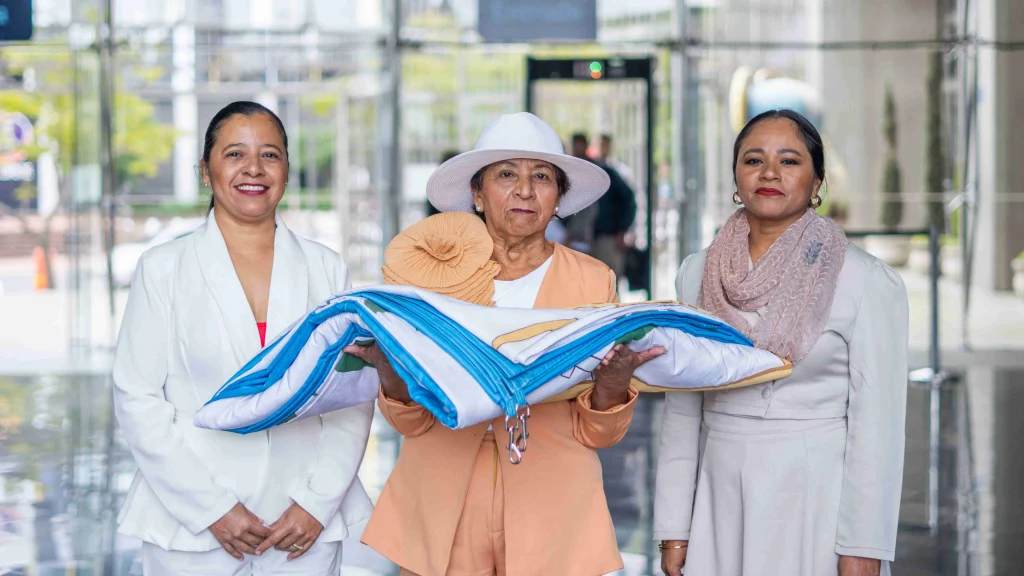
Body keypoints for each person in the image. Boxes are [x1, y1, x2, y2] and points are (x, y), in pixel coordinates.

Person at [353, 112, 666, 576]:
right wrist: (389, 369)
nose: (524, 191)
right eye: (506, 175)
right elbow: (410, 421)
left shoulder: (591, 280)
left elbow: (598, 433)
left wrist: (613, 386)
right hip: (443, 499)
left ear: (558, 198)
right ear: (477, 195)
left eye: (541, 177)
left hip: (551, 504)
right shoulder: (430, 279)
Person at [112, 101, 373, 575]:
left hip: (300, 525)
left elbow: (350, 395)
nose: (254, 168)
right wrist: (211, 509)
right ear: (205, 170)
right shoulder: (163, 268)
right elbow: (137, 397)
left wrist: (316, 502)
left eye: (270, 155)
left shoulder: (326, 268)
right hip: (191, 522)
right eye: (235, 154)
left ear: (286, 170)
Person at [654, 109, 908, 576]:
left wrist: (864, 546)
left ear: (816, 183)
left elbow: (878, 427)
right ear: (736, 177)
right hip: (718, 496)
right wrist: (674, 527)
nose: (769, 172)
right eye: (754, 160)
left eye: (789, 161)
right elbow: (683, 410)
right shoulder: (697, 273)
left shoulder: (864, 279)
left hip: (816, 496)